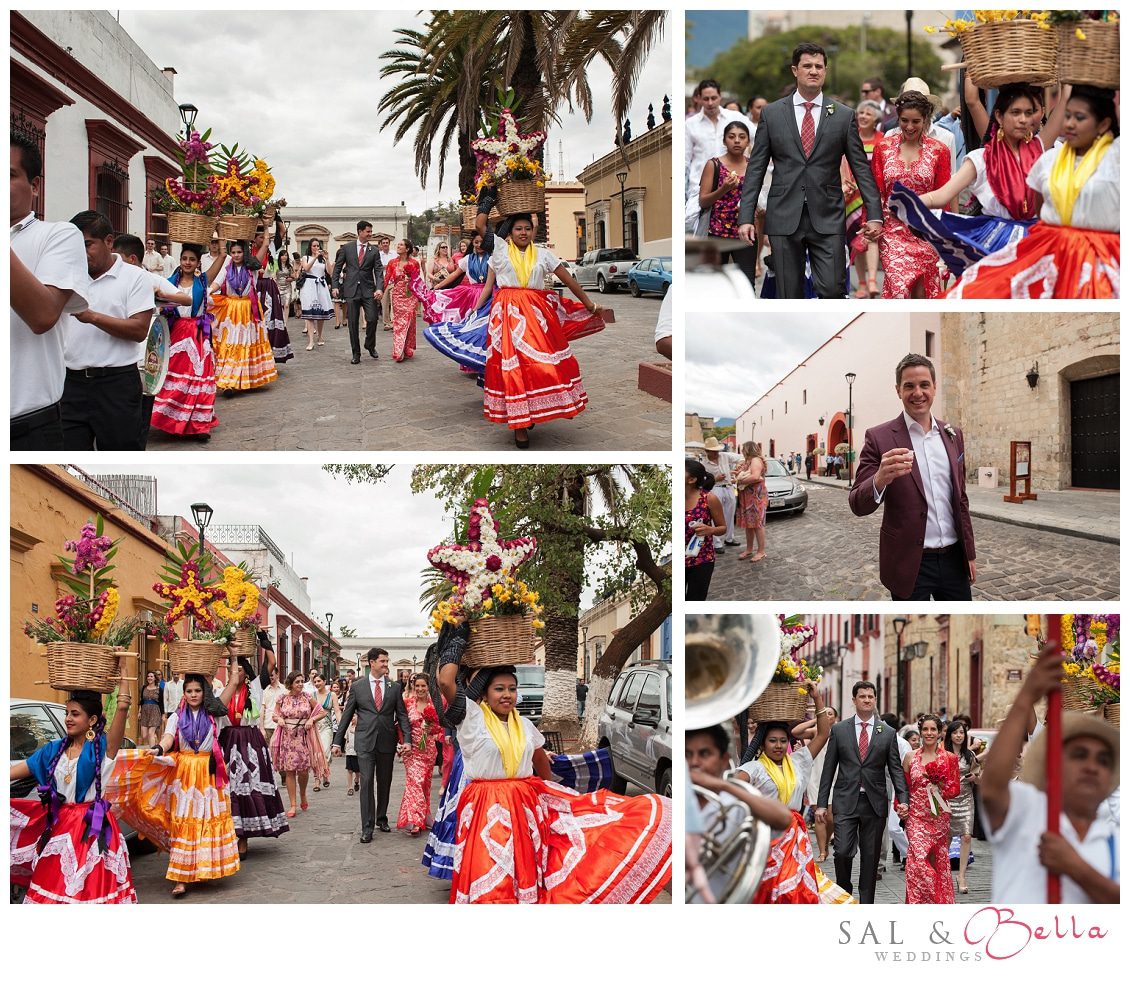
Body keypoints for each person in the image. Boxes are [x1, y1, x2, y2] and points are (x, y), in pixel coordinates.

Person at [436, 624, 672, 903]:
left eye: (512, 688)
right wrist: (459, 638)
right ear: (484, 695)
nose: (507, 695)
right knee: (491, 873)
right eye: (499, 689)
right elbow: (445, 683)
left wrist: (557, 797)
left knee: (524, 872)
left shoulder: (525, 726)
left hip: (525, 809)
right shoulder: (472, 719)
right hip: (485, 809)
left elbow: (541, 765)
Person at [737, 43, 883, 298]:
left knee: (832, 290)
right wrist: (746, 217)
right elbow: (756, 169)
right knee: (788, 294)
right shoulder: (772, 114)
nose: (813, 71)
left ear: (825, 71)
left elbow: (861, 168)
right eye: (807, 66)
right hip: (784, 215)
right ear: (795, 70)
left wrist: (874, 214)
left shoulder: (843, 115)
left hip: (827, 215)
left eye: (819, 66)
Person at [949, 85, 1119, 299]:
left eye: (1030, 112)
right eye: (1016, 112)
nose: (1023, 119)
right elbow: (972, 100)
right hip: (1003, 240)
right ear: (1000, 117)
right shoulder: (991, 156)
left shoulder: (1044, 150)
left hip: (1053, 243)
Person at [981, 645, 1119, 903]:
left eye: (1103, 760)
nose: (1092, 766)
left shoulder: (1115, 840)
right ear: (1056, 764)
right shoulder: (1027, 810)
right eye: (1079, 755)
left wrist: (1074, 866)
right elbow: (992, 788)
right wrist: (1027, 695)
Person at [470, 210, 605, 448]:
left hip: (537, 317)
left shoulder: (544, 255)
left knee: (543, 365)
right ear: (510, 233)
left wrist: (589, 303)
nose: (523, 233)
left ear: (533, 232)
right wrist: (487, 198)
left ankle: (536, 407)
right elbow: (481, 226)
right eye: (518, 229)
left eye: (527, 229)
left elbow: (570, 280)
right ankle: (520, 424)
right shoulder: (500, 251)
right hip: (507, 317)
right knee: (512, 368)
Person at [848, 353, 976, 600]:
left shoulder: (953, 435)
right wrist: (880, 479)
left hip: (953, 561)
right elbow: (857, 504)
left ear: (934, 388)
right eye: (909, 386)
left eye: (924, 385)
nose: (918, 393)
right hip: (909, 563)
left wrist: (969, 553)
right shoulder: (879, 437)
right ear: (898, 390)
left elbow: (961, 500)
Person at [10, 665, 141, 903]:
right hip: (60, 827)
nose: (68, 718)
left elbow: (122, 707)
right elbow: (15, 772)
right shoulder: (53, 750)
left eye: (75, 714)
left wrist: (123, 679)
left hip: (91, 829)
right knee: (55, 890)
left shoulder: (103, 749)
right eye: (67, 713)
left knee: (90, 892)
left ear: (92, 720)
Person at [121, 671, 242, 897]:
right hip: (185, 772)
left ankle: (204, 868)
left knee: (205, 821)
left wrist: (233, 656)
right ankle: (180, 878)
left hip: (208, 772)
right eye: (189, 691)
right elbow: (168, 738)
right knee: (184, 822)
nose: (194, 695)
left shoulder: (213, 713)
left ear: (204, 692)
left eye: (197, 690)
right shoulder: (177, 716)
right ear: (183, 694)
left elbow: (234, 682)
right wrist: (158, 748)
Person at [11, 134, 91, 450]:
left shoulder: (57, 236)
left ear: (35, 186)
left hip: (24, 427)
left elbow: (42, 315)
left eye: (10, 175)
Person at [734, 682, 847, 903]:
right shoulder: (753, 768)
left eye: (782, 741)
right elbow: (734, 788)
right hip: (765, 838)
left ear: (788, 743)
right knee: (769, 891)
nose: (778, 745)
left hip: (794, 839)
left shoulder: (799, 762)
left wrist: (817, 699)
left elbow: (823, 734)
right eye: (772, 741)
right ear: (763, 744)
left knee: (795, 890)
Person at [62, 211, 153, 450]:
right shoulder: (67, 277)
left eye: (88, 245)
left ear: (109, 241)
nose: (81, 254)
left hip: (116, 385)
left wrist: (92, 317)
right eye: (75, 247)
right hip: (70, 384)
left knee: (120, 452)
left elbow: (139, 329)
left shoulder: (135, 278)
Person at [817, 681, 909, 904]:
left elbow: (896, 769)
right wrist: (821, 803)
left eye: (871, 696)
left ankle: (867, 903)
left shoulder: (887, 733)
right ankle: (845, 892)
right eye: (862, 696)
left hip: (875, 803)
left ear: (875, 700)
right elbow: (828, 768)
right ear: (854, 700)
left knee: (870, 858)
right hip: (845, 800)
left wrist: (903, 799)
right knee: (842, 852)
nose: (867, 700)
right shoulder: (839, 730)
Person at [686, 724, 793, 903]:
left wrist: (724, 785)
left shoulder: (736, 805)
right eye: (687, 755)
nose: (694, 762)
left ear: (723, 760)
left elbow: (783, 818)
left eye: (704, 754)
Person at [870, 90, 951, 298]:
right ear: (897, 118)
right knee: (898, 291)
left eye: (916, 121)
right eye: (904, 120)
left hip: (926, 232)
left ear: (926, 120)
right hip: (892, 232)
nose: (909, 127)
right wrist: (871, 222)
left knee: (922, 295)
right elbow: (875, 190)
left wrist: (946, 240)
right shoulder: (883, 148)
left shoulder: (939, 151)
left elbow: (944, 196)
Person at [331, 648, 412, 842]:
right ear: (372, 663)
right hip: (365, 741)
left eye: (387, 661)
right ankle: (367, 827)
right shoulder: (358, 687)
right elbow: (347, 715)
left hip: (386, 741)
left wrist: (406, 740)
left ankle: (381, 818)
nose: (386, 664)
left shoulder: (394, 687)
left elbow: (401, 715)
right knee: (366, 782)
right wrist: (337, 742)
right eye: (382, 661)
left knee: (384, 782)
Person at [219, 647, 289, 856]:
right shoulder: (221, 692)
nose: (236, 673)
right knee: (230, 789)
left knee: (249, 788)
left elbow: (271, 663)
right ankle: (232, 832)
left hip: (250, 742)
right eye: (233, 669)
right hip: (228, 740)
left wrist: (265, 643)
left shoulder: (255, 688)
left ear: (246, 672)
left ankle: (244, 837)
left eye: (239, 669)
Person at [148, 242, 218, 439]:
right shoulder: (168, 281)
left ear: (198, 263)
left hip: (197, 333)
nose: (188, 262)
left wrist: (220, 238)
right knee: (172, 376)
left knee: (199, 377)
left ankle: (199, 424)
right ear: (179, 260)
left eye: (192, 259)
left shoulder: (203, 281)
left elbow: (221, 258)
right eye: (185, 258)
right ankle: (171, 419)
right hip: (176, 333)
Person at [205, 240, 278, 392]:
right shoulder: (226, 269)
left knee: (246, 343)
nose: (236, 255)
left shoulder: (252, 268)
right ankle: (228, 382)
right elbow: (217, 283)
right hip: (231, 311)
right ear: (230, 254)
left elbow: (265, 245)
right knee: (231, 344)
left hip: (248, 310)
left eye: (239, 252)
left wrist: (265, 228)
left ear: (244, 252)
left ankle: (246, 379)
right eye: (233, 252)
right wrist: (207, 291)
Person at [902, 714, 960, 904]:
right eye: (925, 729)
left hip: (939, 818)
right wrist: (900, 807)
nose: (929, 733)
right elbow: (903, 788)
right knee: (918, 861)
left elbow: (955, 789)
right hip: (916, 818)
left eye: (933, 729)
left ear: (940, 732)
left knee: (937, 862)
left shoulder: (949, 758)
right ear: (920, 732)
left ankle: (937, 906)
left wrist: (941, 786)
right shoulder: (910, 757)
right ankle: (930, 899)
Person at [421, 230, 493, 373]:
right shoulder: (467, 260)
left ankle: (485, 359)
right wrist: (438, 286)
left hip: (490, 294)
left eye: (482, 242)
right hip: (471, 296)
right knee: (469, 326)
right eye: (476, 242)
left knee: (485, 328)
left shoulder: (492, 258)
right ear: (472, 243)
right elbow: (455, 274)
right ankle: (468, 362)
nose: (479, 245)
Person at [696, 120, 757, 283]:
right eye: (732, 136)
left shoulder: (753, 166)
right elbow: (703, 201)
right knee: (716, 284)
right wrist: (724, 189)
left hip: (745, 233)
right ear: (724, 140)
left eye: (742, 137)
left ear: (748, 142)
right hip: (717, 234)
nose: (737, 140)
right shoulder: (714, 165)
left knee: (746, 283)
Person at [269, 671, 328, 818]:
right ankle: (293, 804)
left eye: (302, 681)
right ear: (290, 684)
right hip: (287, 737)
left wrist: (311, 720)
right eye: (297, 682)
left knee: (302, 770)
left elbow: (322, 712)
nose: (301, 684)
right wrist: (279, 720)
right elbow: (275, 715)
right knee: (289, 771)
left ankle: (303, 794)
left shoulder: (307, 697)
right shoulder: (282, 698)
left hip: (303, 737)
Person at [685, 79, 748, 210]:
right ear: (698, 99)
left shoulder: (735, 117)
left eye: (713, 98)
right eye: (706, 99)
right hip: (699, 190)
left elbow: (758, 139)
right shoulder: (690, 125)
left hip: (737, 190)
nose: (710, 103)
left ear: (720, 97)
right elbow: (684, 161)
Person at [845, 100, 886, 297]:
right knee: (855, 240)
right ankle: (861, 283)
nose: (863, 116)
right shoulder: (850, 138)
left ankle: (871, 280)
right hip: (851, 197)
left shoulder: (883, 140)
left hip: (872, 197)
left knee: (871, 238)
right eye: (860, 112)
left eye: (868, 114)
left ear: (876, 118)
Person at [332, 219, 385, 365]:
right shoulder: (347, 248)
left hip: (369, 290)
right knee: (353, 324)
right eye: (368, 231)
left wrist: (379, 288)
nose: (370, 234)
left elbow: (379, 271)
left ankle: (370, 344)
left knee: (373, 318)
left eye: (371, 231)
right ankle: (356, 353)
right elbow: (337, 268)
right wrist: (335, 286)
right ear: (360, 232)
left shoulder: (374, 250)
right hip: (351, 290)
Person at [398, 673, 443, 835]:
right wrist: (402, 743)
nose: (420, 689)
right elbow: (401, 725)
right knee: (415, 781)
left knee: (425, 784)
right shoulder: (407, 703)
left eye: (423, 686)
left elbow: (440, 728)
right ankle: (415, 821)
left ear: (428, 687)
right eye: (417, 686)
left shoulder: (435, 704)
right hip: (412, 750)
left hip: (429, 749)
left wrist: (432, 729)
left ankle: (425, 815)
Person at [945, 718, 981, 893]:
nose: (959, 735)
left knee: (966, 836)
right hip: (947, 799)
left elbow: (979, 777)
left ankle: (961, 875)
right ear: (949, 735)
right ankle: (943, 876)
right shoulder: (942, 754)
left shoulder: (970, 755)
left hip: (966, 798)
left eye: (961, 733)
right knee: (946, 838)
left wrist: (975, 778)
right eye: (955, 732)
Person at [251, 221, 293, 365]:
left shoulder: (272, 248)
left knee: (271, 321)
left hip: (268, 286)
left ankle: (271, 354)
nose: (264, 240)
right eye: (260, 237)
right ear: (254, 238)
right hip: (254, 287)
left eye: (265, 237)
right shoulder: (248, 250)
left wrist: (274, 216)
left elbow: (282, 230)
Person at [685, 458, 726, 601]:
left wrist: (710, 530)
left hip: (702, 560)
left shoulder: (709, 499)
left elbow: (722, 528)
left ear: (691, 479)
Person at [383, 238, 424, 363]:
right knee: (399, 322)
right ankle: (398, 350)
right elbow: (386, 278)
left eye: (401, 245)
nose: (398, 246)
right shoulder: (392, 263)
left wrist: (420, 296)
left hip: (410, 295)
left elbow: (417, 280)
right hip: (397, 295)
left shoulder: (414, 263)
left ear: (407, 249)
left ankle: (407, 348)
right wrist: (380, 291)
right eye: (398, 245)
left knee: (410, 322)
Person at [701, 437, 739, 551]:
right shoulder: (703, 465)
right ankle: (717, 543)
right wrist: (715, 479)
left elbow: (739, 458)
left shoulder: (724, 456)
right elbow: (703, 483)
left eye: (717, 450)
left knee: (730, 514)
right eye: (713, 451)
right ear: (707, 451)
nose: (716, 453)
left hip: (728, 487)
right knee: (715, 516)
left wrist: (739, 467)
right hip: (715, 489)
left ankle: (729, 538)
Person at [297, 237, 335, 348]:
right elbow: (307, 268)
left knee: (321, 312)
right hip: (309, 285)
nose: (316, 248)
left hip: (320, 285)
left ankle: (320, 335)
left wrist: (327, 259)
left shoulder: (322, 259)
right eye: (314, 246)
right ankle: (311, 341)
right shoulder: (305, 258)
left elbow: (330, 272)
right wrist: (314, 258)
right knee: (310, 314)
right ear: (310, 247)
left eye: (318, 246)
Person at [734, 439, 768, 562]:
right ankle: (749, 549)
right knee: (749, 524)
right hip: (747, 496)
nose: (742, 451)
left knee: (758, 524)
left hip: (755, 497)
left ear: (748, 449)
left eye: (743, 449)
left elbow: (755, 476)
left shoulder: (755, 460)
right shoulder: (748, 461)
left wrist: (739, 481)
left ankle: (761, 551)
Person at [310, 672, 339, 790]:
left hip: (327, 726)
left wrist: (341, 724)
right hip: (315, 726)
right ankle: (317, 779)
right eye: (315, 681)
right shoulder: (312, 695)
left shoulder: (332, 695)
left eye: (319, 681)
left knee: (325, 752)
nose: (317, 683)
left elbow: (337, 710)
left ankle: (325, 773)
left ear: (324, 682)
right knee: (316, 754)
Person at [139, 670, 164, 746]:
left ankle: (152, 753)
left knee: (151, 733)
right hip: (145, 711)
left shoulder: (159, 689)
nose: (149, 678)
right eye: (148, 676)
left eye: (151, 676)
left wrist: (162, 714)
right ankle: (155, 741)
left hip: (155, 711)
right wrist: (139, 712)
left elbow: (161, 703)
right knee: (144, 735)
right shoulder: (144, 687)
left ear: (155, 678)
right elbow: (141, 701)